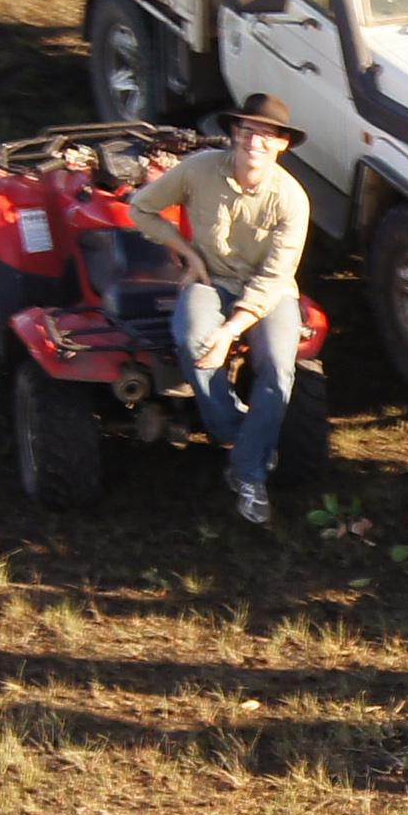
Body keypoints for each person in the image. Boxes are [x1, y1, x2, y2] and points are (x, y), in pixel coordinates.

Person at [128, 94, 316, 526]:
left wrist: (230, 331)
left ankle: (246, 474)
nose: (255, 141)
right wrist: (185, 253)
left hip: (268, 294)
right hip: (210, 278)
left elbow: (273, 278)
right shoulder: (198, 169)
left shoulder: (292, 199)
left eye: (267, 134)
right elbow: (142, 207)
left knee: (279, 369)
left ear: (282, 144)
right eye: (247, 130)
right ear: (233, 133)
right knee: (193, 338)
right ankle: (236, 433)